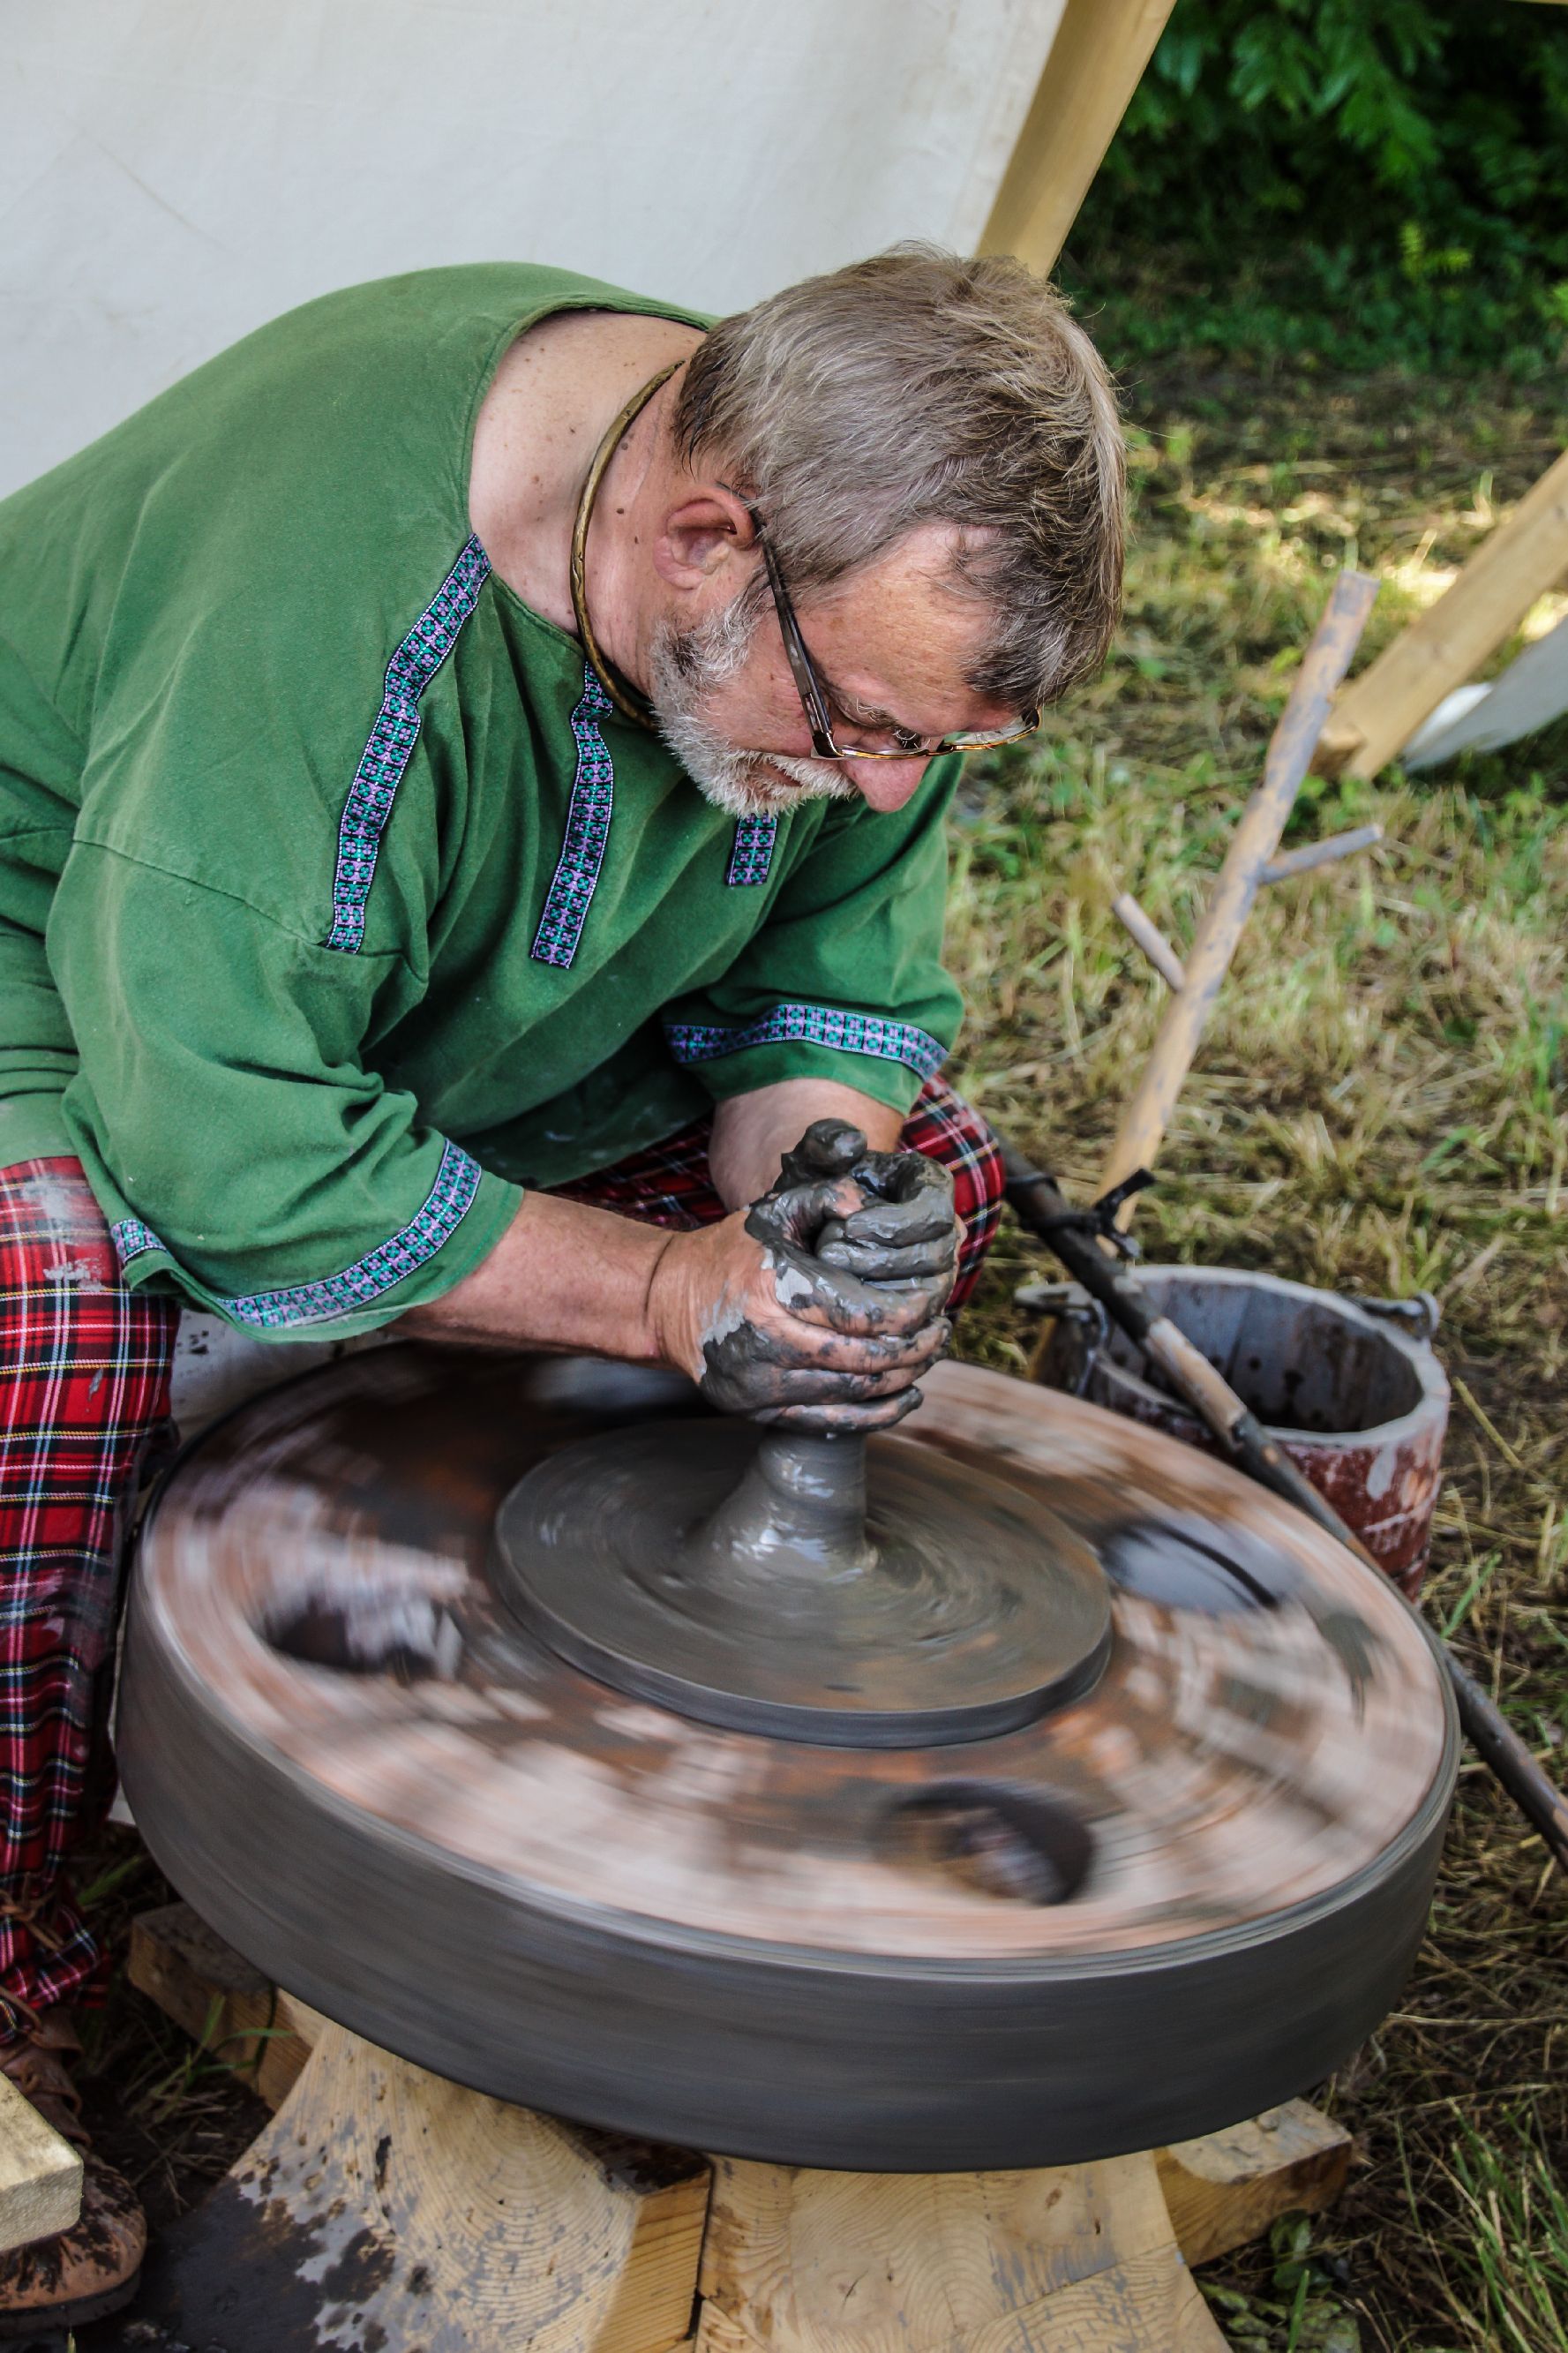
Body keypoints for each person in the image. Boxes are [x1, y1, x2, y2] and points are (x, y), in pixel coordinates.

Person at [0, 244, 1123, 2327]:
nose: (889, 781)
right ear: (703, 539)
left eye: (933, 745)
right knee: (47, 1299)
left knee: (915, 1186)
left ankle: (518, 1765)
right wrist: (650, 1293)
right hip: (74, 959)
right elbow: (214, 1121)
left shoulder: (823, 570)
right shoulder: (335, 599)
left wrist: (802, 1212)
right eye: (867, 722)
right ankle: (6, 1963)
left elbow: (830, 984)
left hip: (449, 996)